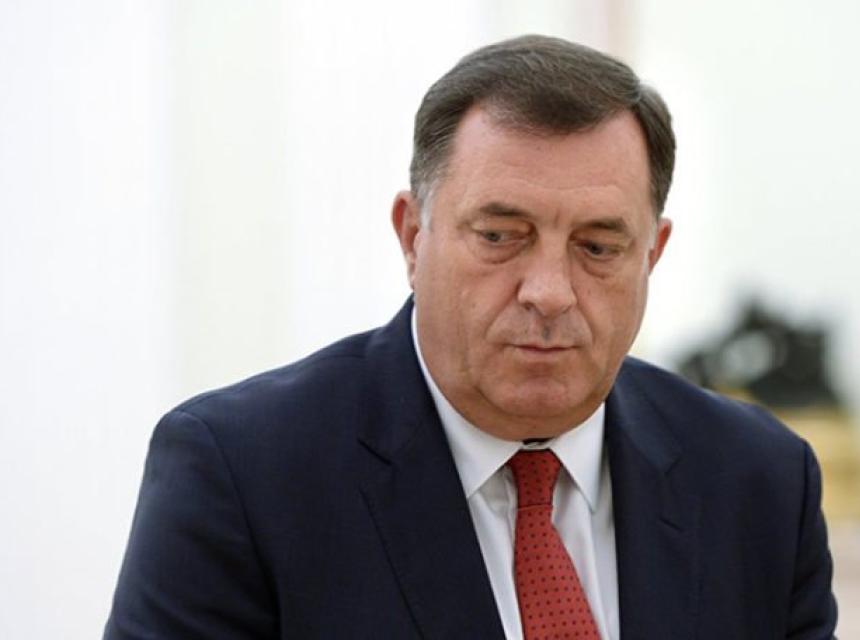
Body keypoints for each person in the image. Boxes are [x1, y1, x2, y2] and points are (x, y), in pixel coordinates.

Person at [104, 35, 838, 639]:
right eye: (500, 235)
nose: (549, 291)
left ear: (652, 255)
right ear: (412, 236)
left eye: (597, 247)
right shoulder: (242, 476)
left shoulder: (760, 482)